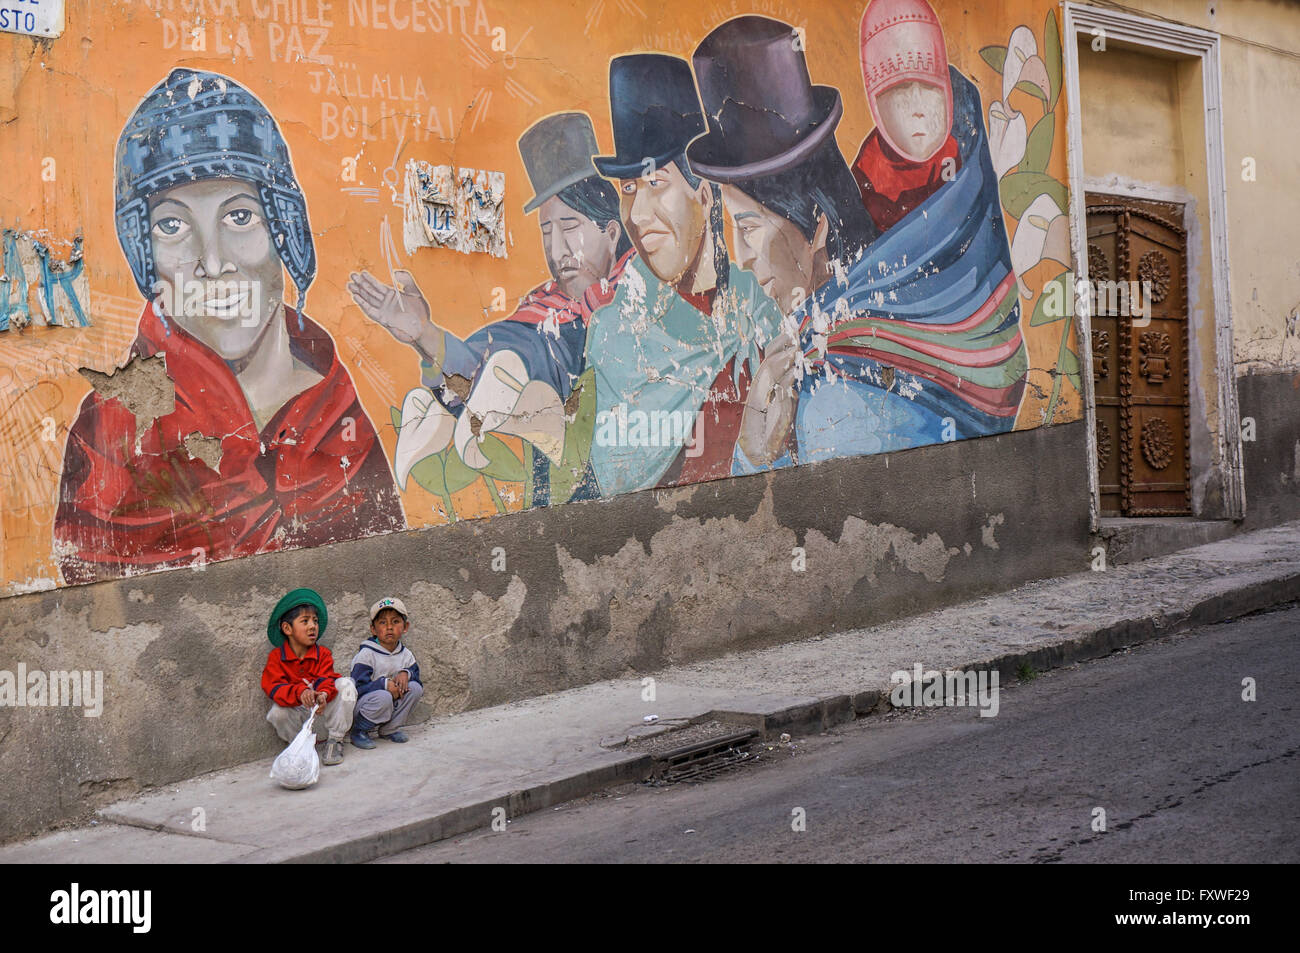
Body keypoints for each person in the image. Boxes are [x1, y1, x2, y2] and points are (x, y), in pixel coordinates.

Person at [54, 69, 403, 586]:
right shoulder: (112, 436)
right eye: (171, 226)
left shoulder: (336, 417)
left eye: (240, 217)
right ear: (148, 259)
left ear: (283, 234)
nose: (212, 262)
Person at [735, 0, 1030, 468]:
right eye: (896, 93)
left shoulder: (970, 156)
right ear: (874, 103)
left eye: (925, 89)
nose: (915, 113)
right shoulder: (868, 184)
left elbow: (981, 275)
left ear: (818, 228)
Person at [348, 112, 633, 502]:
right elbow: (499, 351)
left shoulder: (639, 297)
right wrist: (424, 335)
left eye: (569, 227)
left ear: (611, 231)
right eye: (546, 232)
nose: (557, 251)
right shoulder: (545, 308)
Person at [684, 15, 880, 468]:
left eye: (749, 227)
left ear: (817, 225)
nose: (742, 257)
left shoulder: (861, 355)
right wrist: (755, 441)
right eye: (733, 229)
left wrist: (756, 451)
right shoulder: (797, 341)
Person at [584, 53, 783, 495]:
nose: (637, 214)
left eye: (655, 184)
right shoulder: (617, 335)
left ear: (706, 193)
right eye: (628, 189)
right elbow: (616, 482)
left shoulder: (760, 305)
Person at [261, 588, 357, 766]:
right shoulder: (276, 658)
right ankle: (301, 747)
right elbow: (273, 687)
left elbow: (326, 678)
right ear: (287, 628)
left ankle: (335, 740)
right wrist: (299, 692)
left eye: (315, 621)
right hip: (299, 716)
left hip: (323, 712)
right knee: (277, 713)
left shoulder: (323, 654)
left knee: (347, 685)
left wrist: (323, 694)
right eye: (305, 621)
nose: (312, 626)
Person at [348, 597, 424, 748]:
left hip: (390, 704)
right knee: (384, 696)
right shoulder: (367, 654)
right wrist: (384, 685)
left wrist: (405, 673)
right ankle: (359, 731)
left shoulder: (406, 654)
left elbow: (416, 676)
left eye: (395, 622)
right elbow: (357, 688)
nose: (389, 627)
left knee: (415, 688)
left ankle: (389, 728)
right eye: (383, 622)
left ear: (405, 627)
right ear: (373, 629)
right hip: (366, 706)